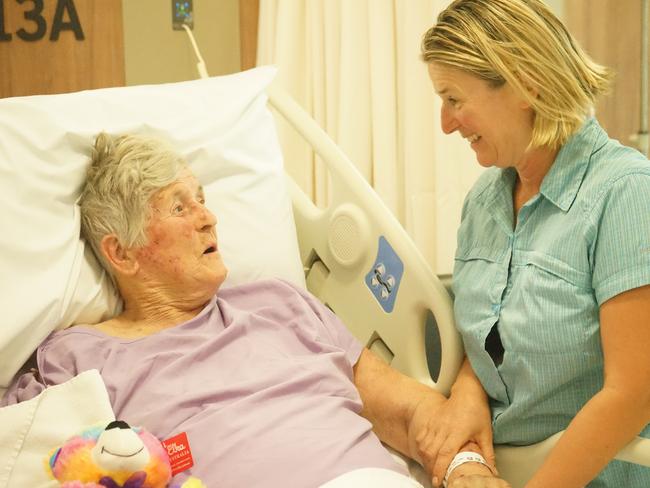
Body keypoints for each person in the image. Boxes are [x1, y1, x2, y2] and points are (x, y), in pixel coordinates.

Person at [1, 132, 509, 488]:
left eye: (201, 199)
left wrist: (466, 467)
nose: (209, 217)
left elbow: (410, 409)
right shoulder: (75, 359)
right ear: (121, 253)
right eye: (179, 207)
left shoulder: (280, 304)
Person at [419, 0, 650, 487]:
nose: (445, 123)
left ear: (524, 83)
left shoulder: (626, 193)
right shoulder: (485, 200)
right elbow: (490, 343)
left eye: (454, 99)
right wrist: (468, 393)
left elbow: (633, 394)